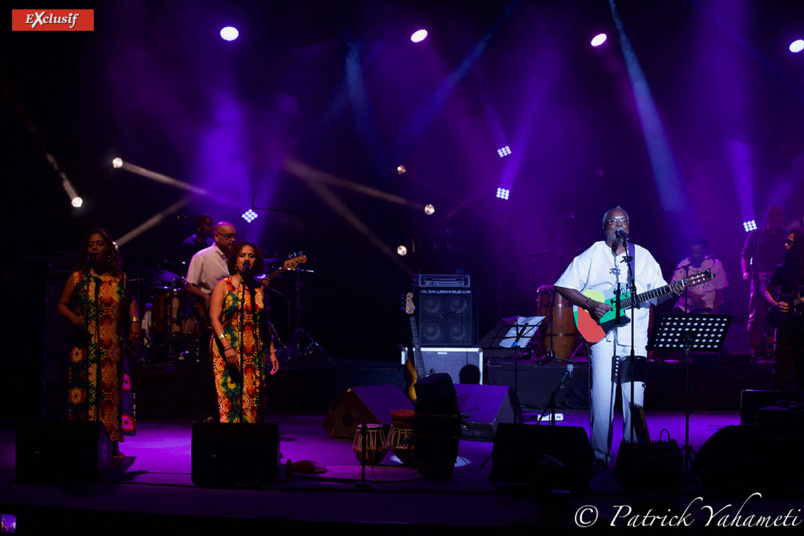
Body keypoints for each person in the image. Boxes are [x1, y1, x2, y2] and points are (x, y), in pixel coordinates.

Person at [554, 207, 683, 469]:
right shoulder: (594, 253)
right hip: (602, 336)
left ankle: (633, 455)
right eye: (613, 221)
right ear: (605, 228)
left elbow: (656, 295)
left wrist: (673, 293)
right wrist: (590, 303)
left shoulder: (643, 256)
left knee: (634, 398)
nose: (618, 224)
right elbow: (562, 285)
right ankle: (600, 456)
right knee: (602, 396)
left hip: (634, 336)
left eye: (623, 220)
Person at [56, 229, 142, 455]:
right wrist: (73, 317)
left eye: (99, 244)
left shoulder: (119, 278)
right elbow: (61, 304)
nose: (94, 248)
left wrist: (134, 322)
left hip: (110, 344)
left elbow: (131, 301)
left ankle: (111, 444)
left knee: (109, 393)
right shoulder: (78, 277)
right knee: (83, 392)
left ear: (109, 249)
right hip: (84, 345)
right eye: (90, 244)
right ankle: (82, 441)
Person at [209, 242, 279, 422]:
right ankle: (229, 444)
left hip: (254, 350)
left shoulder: (259, 287)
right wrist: (226, 346)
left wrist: (271, 351)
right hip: (227, 349)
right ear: (235, 260)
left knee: (253, 398)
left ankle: (249, 444)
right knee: (231, 398)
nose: (246, 259)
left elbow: (263, 322)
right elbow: (214, 318)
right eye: (242, 255)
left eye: (251, 255)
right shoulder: (223, 285)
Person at [741, 206, 787, 360]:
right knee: (756, 316)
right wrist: (745, 272)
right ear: (770, 217)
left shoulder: (785, 235)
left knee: (778, 314)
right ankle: (754, 350)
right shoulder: (756, 234)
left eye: (781, 215)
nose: (780, 218)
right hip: (759, 278)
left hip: (779, 278)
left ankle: (773, 350)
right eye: (777, 215)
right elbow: (745, 255)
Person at [762, 227, 804, 391]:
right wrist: (775, 304)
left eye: (790, 242)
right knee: (780, 369)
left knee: (801, 369)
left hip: (802, 323)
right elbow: (765, 290)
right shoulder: (781, 268)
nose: (786, 245)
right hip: (785, 324)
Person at [185, 221, 237, 319]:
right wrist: (206, 297)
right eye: (229, 236)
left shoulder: (234, 258)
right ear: (216, 236)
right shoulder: (202, 256)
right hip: (211, 310)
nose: (233, 240)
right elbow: (189, 286)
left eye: (235, 236)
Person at [670, 237, 728, 314]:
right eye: (692, 253)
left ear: (705, 252)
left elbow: (720, 290)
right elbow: (673, 289)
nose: (695, 255)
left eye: (698, 253)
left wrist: (715, 311)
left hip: (709, 306)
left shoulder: (716, 265)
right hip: (686, 307)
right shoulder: (683, 265)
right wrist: (691, 295)